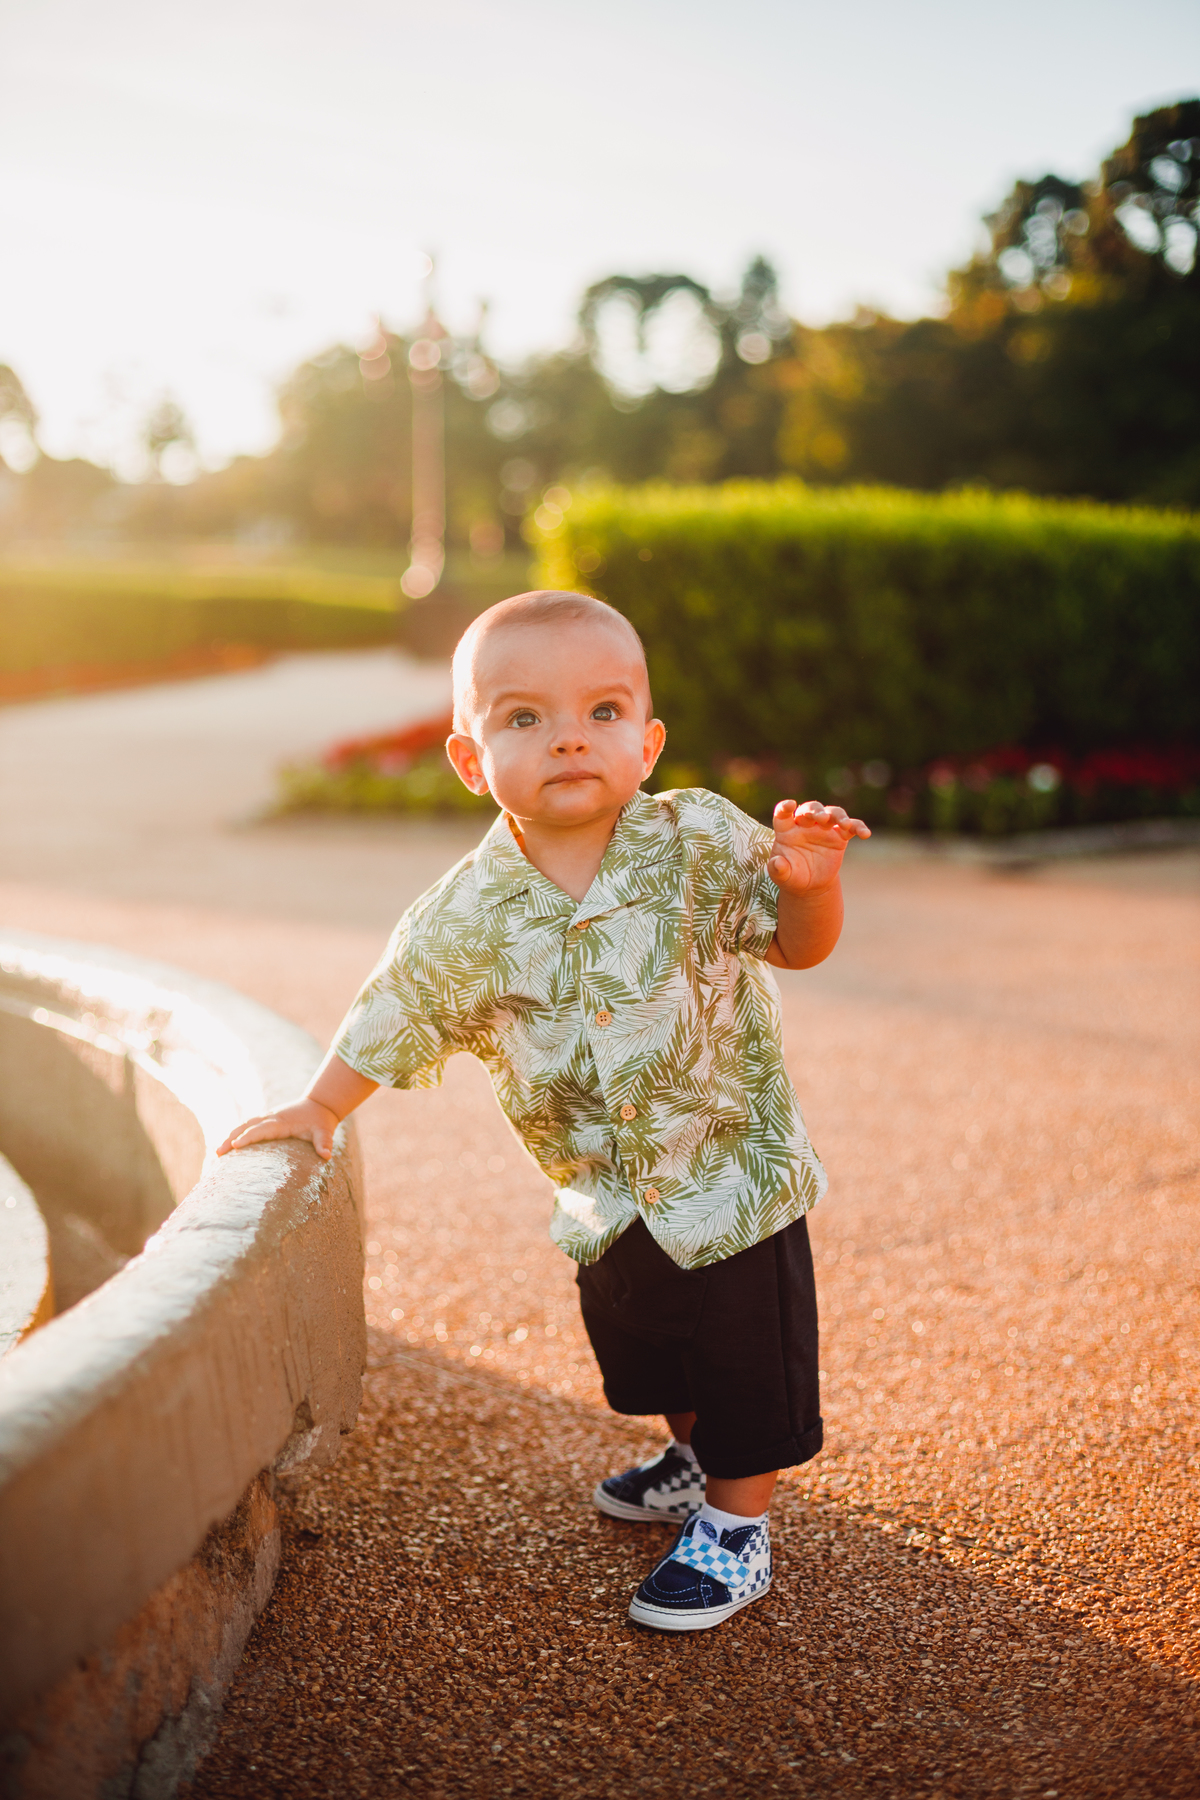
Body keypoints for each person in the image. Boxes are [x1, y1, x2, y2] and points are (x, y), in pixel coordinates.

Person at [218, 589, 869, 1633]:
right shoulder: (465, 912)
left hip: (733, 1176)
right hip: (604, 1193)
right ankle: (693, 1454)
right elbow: (399, 1007)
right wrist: (318, 1107)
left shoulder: (699, 839)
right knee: (653, 1345)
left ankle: (739, 1528)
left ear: (647, 743)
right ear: (472, 762)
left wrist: (812, 886)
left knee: (749, 1360)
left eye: (603, 712)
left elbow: (795, 944)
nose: (570, 735)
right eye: (524, 718)